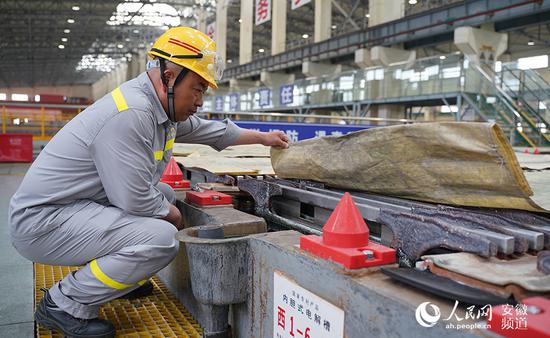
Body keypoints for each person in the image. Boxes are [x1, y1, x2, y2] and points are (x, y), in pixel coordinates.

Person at [9, 26, 289, 338]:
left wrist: (264, 137)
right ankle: (64, 303)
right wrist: (174, 216)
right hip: (42, 222)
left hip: (71, 210)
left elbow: (212, 132)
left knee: (166, 192)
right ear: (169, 76)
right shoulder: (132, 113)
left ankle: (121, 276)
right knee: (161, 237)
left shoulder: (158, 108)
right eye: (197, 89)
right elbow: (134, 200)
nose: (199, 101)